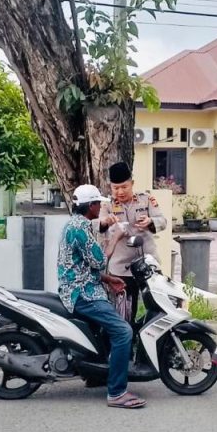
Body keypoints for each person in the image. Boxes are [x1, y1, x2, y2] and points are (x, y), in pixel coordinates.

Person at [58, 184, 143, 410]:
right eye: (98, 203)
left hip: (83, 287)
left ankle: (95, 375)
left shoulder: (74, 223)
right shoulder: (80, 229)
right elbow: (98, 260)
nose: (101, 207)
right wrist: (115, 237)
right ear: (91, 206)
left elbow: (83, 266)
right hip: (82, 294)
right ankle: (116, 392)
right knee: (123, 331)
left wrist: (108, 280)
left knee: (108, 331)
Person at [97, 161, 167, 322]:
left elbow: (162, 221)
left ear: (132, 184)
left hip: (147, 262)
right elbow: (99, 225)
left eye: (124, 187)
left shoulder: (146, 199)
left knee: (160, 303)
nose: (120, 191)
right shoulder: (106, 205)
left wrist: (150, 221)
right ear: (111, 187)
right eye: (116, 188)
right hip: (121, 268)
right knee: (125, 311)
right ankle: (128, 341)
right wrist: (107, 221)